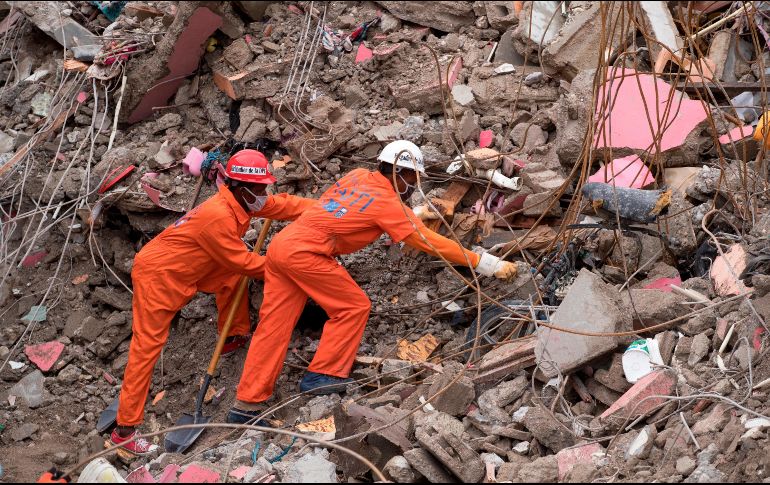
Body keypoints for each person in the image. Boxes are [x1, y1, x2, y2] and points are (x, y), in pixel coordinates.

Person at [228, 140, 518, 423]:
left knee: (273, 326)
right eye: (413, 178)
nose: (414, 185)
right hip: (307, 253)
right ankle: (322, 376)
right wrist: (485, 264)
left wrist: (410, 214)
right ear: (400, 173)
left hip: (283, 246)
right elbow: (426, 241)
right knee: (352, 306)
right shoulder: (388, 204)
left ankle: (247, 404)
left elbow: (345, 207)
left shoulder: (358, 176)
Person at [111, 149, 315, 454]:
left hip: (195, 266)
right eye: (260, 189)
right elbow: (247, 263)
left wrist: (324, 209)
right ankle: (125, 430)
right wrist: (288, 267)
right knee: (147, 346)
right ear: (241, 187)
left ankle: (233, 334)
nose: (265, 194)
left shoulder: (240, 200)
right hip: (160, 274)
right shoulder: (217, 216)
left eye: (265, 188)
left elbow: (281, 205)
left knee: (229, 279)